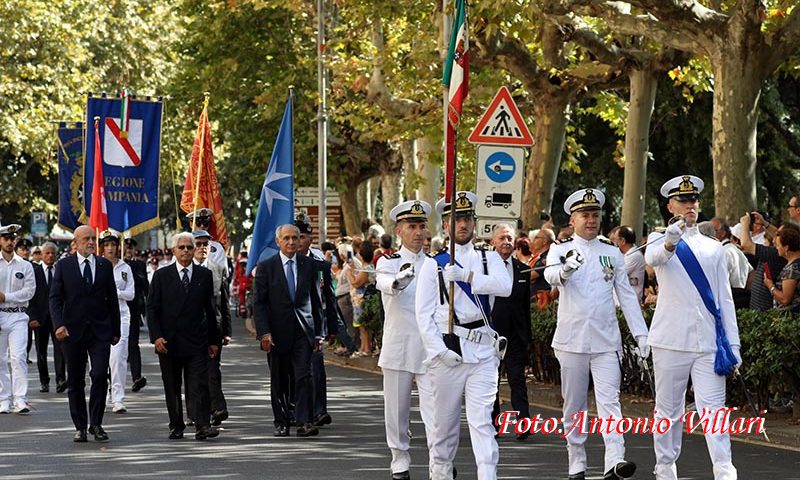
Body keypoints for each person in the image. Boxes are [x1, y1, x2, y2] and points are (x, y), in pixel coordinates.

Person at [544, 189, 647, 480]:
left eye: (595, 215)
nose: (591, 220)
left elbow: (626, 296)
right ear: (573, 219)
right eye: (585, 215)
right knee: (574, 404)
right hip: (572, 340)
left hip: (605, 340)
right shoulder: (560, 249)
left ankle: (615, 460)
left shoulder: (611, 252)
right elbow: (551, 276)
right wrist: (565, 270)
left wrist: (641, 335)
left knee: (610, 401)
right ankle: (576, 459)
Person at [644, 175, 740, 480]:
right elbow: (653, 258)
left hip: (709, 342)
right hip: (671, 340)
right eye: (683, 201)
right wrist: (671, 239)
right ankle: (665, 467)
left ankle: (724, 470)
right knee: (668, 411)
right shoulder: (659, 240)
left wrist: (733, 346)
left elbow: (725, 300)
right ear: (670, 205)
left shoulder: (714, 248)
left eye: (694, 200)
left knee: (714, 411)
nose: (690, 206)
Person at [415, 191, 512, 480]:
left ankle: (488, 476)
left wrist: (467, 277)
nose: (462, 224)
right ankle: (441, 474)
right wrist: (437, 350)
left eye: (467, 218)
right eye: (456, 219)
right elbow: (423, 314)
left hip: (483, 351)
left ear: (474, 223)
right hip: (448, 352)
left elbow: (504, 286)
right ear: (446, 225)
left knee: (482, 422)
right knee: (444, 427)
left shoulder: (487, 257)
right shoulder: (433, 263)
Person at [375, 200, 435, 479]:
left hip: (431, 347)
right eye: (412, 226)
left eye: (422, 226)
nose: (418, 232)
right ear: (399, 231)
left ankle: (440, 460)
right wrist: (399, 281)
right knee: (397, 411)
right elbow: (385, 283)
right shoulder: (389, 262)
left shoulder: (435, 264)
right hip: (399, 344)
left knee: (436, 412)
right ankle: (399, 459)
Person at [49, 225, 121, 442]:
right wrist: (59, 325)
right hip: (72, 332)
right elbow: (55, 298)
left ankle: (96, 423)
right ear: (76, 242)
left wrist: (115, 330)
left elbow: (112, 299)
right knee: (76, 381)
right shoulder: (64, 266)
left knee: (100, 375)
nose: (91, 242)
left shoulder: (104, 266)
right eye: (86, 239)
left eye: (93, 239)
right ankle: (80, 425)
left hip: (100, 331)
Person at [147, 232, 220, 440]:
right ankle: (176, 424)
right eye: (183, 247)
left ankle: (202, 425)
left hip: (196, 341)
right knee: (172, 385)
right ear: (174, 251)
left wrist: (213, 341)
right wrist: (157, 337)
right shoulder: (161, 276)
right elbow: (152, 309)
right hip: (169, 342)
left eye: (190, 247)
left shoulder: (204, 275)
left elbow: (210, 309)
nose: (187, 250)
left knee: (199, 384)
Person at [253, 224, 323, 438]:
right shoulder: (266, 267)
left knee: (304, 376)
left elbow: (316, 301)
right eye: (287, 238)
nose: (292, 242)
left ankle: (304, 421)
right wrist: (264, 333)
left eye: (295, 238)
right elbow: (260, 304)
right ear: (278, 241)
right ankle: (281, 421)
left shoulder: (309, 265)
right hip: (277, 334)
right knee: (280, 379)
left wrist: (318, 333)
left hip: (303, 332)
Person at [489, 223, 532, 441]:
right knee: (491, 382)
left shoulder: (523, 269)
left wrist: (528, 339)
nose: (506, 242)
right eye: (502, 238)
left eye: (509, 238)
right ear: (492, 242)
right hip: (491, 334)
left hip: (515, 335)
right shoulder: (484, 269)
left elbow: (526, 308)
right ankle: (493, 425)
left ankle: (523, 424)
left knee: (517, 380)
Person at [295, 214, 338, 428]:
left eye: (302, 236)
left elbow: (329, 297)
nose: (298, 241)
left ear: (309, 238)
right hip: (292, 325)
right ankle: (298, 410)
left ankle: (320, 410)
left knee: (316, 367)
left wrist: (332, 326)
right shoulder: (282, 263)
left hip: (315, 325)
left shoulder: (321, 264)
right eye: (295, 236)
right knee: (295, 371)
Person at [192, 229, 232, 426]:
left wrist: (227, 331)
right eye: (197, 244)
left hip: (213, 329)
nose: (202, 248)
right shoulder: (184, 269)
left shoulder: (217, 268)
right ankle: (196, 411)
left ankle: (218, 407)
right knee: (195, 373)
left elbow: (224, 301)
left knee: (213, 370)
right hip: (190, 330)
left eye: (205, 244)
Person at [98, 230, 135, 414]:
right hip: (100, 317)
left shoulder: (125, 268)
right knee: (99, 358)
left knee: (118, 358)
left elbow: (131, 294)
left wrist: (113, 294)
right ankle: (101, 394)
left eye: (113, 245)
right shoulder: (97, 265)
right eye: (106, 245)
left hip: (121, 315)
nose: (110, 248)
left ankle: (118, 398)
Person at [0, 224, 36, 414]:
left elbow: (29, 292)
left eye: (12, 239)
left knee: (18, 357)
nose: (9, 242)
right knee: (0, 359)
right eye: (5, 238)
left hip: (18, 315)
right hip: (0, 315)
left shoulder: (25, 265)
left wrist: (7, 297)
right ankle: (3, 398)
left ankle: (20, 398)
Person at [32, 242, 66, 393]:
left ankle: (60, 379)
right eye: (47, 253)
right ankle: (44, 381)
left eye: (53, 253)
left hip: (57, 318)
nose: (50, 255)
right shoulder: (34, 272)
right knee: (41, 351)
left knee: (60, 349)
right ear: (41, 254)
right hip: (40, 319)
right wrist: (31, 317)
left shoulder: (61, 271)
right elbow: (30, 297)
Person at [738, 212, 789, 312]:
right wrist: (765, 223)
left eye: (778, 235)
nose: (775, 237)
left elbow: (746, 244)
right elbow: (781, 235)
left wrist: (744, 224)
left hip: (763, 309)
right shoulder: (779, 251)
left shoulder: (775, 253)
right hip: (760, 306)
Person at [124, 238, 148, 393]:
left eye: (131, 248)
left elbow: (145, 287)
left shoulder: (138, 265)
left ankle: (137, 377)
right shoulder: (110, 265)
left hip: (132, 311)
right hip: (113, 312)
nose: (128, 251)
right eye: (126, 248)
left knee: (133, 344)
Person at [763, 227, 800, 312]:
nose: (776, 248)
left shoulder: (792, 268)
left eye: (778, 245)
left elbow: (785, 299)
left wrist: (770, 286)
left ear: (786, 247)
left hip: (790, 318)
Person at [348, 242, 376, 356]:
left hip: (361, 300)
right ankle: (364, 347)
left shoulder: (366, 269)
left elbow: (356, 283)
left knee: (363, 325)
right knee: (362, 326)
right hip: (361, 300)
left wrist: (350, 273)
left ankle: (366, 348)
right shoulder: (369, 267)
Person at [609, 225, 646, 303]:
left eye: (615, 240)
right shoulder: (624, 254)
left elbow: (612, 274)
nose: (613, 243)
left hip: (629, 302)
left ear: (623, 241)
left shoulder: (634, 256)